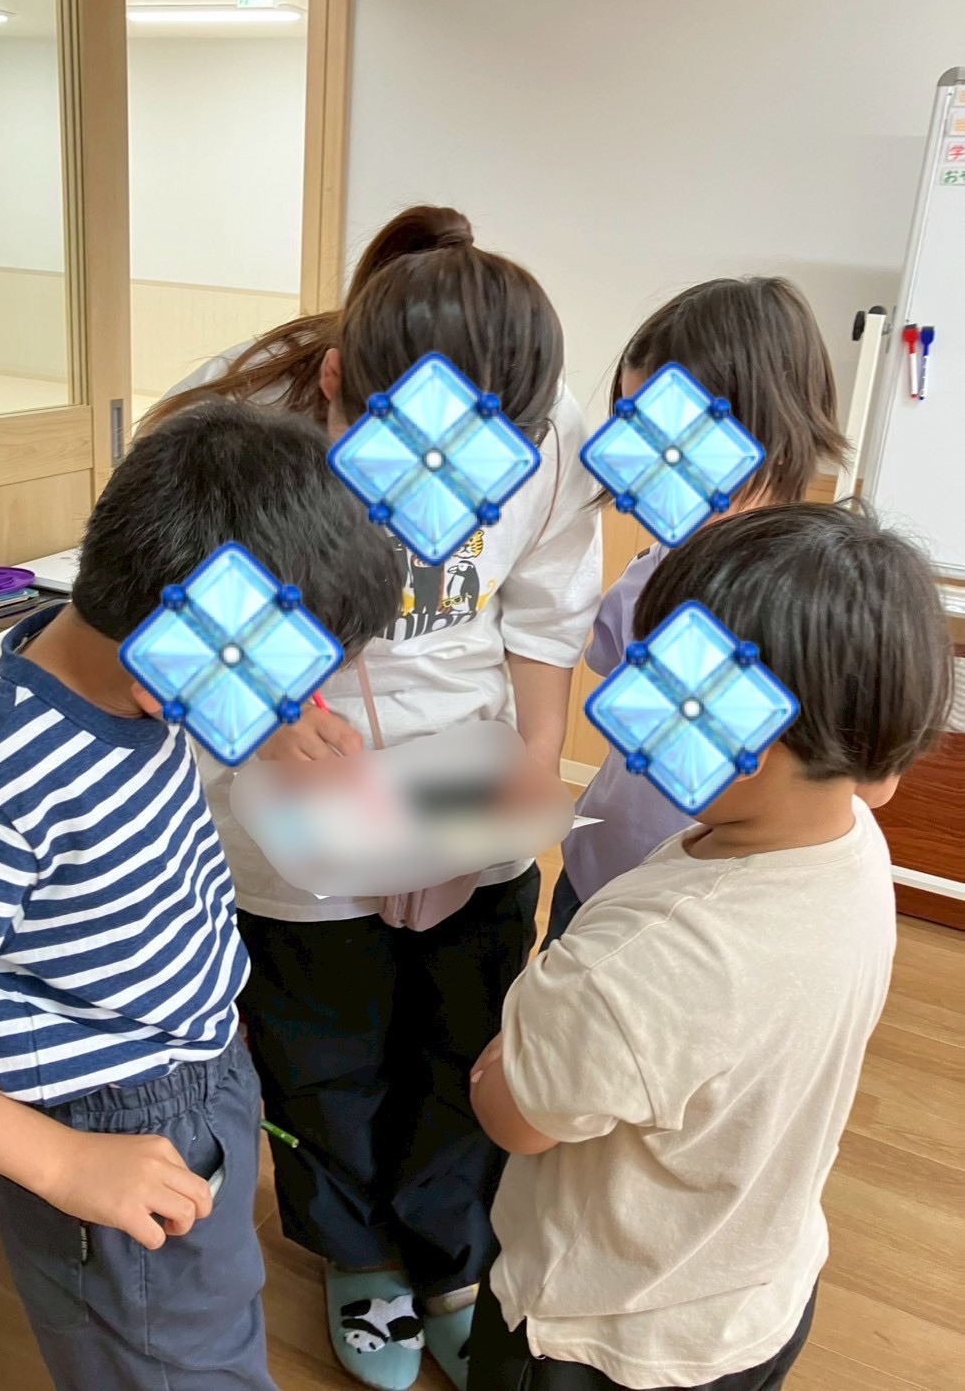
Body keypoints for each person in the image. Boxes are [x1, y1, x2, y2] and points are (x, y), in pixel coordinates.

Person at [0, 400, 403, 1391]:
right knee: (174, 1364)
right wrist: (61, 1163)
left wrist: (270, 725)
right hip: (107, 1121)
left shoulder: (119, 658)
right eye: (275, 682)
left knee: (212, 1322)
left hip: (197, 1065)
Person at [148, 206, 602, 1391]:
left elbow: (546, 611)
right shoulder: (235, 422)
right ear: (337, 382)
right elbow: (149, 602)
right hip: (291, 785)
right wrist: (264, 709)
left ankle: (451, 1255)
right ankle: (357, 1257)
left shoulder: (549, 427)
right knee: (325, 1049)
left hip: (462, 765)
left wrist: (530, 763)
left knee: (465, 1031)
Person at [467, 501, 954, 1391]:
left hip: (599, 1333)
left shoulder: (641, 964)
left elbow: (514, 1117)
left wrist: (510, 1047)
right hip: (758, 1299)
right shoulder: (855, 845)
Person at [546, 277, 848, 946]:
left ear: (766, 432)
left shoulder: (813, 597)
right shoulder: (658, 557)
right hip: (596, 874)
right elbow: (606, 658)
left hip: (701, 915)